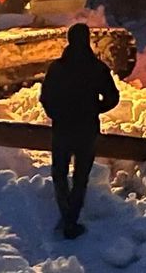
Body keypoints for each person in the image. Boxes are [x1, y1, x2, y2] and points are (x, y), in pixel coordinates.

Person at [40, 23, 120, 239]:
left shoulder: (57, 68)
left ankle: (65, 214)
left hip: (62, 128)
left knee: (59, 172)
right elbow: (113, 98)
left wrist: (56, 113)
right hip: (86, 129)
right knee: (81, 176)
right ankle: (72, 218)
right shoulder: (97, 68)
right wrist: (96, 109)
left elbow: (45, 97)